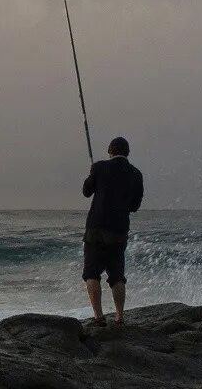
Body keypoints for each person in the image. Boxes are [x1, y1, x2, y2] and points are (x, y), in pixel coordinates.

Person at [81, 135, 144, 326]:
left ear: (110, 151)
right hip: (118, 231)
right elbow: (135, 206)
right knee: (117, 276)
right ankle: (119, 317)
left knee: (91, 273)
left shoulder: (99, 167)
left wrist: (92, 174)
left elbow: (86, 191)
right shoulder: (136, 174)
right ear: (127, 153)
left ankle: (99, 317)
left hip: (96, 230)